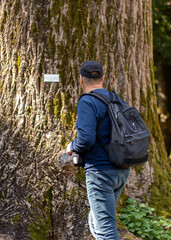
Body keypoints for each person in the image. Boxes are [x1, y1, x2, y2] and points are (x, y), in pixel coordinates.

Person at [66, 60, 130, 239]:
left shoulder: (87, 102)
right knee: (96, 222)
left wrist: (72, 146)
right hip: (121, 170)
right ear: (103, 78)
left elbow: (86, 139)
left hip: (100, 172)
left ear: (81, 80)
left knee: (105, 231)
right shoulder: (116, 99)